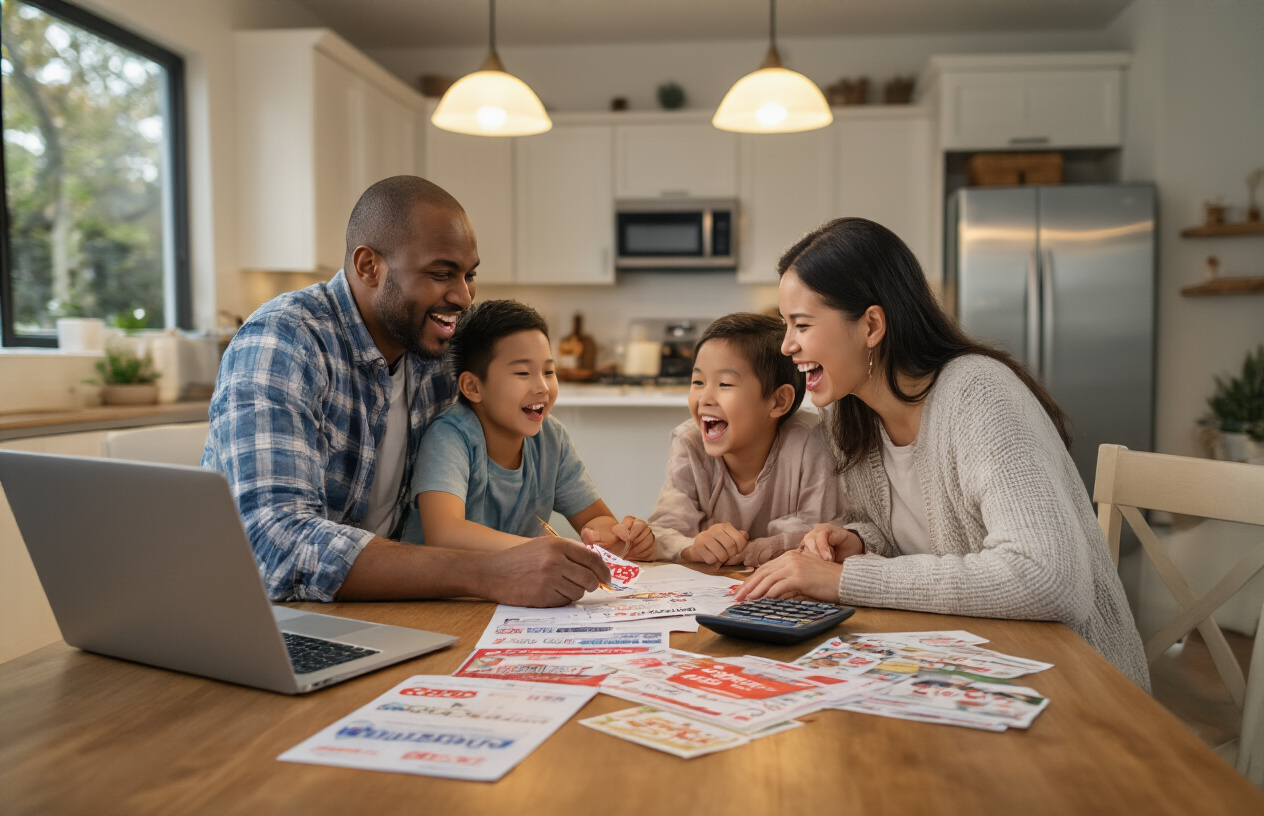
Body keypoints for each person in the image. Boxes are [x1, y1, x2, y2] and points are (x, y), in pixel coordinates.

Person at [735, 217, 1149, 690]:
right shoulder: (853, 416)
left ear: (871, 325)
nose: (788, 346)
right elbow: (926, 539)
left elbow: (1047, 580)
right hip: (965, 666)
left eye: (801, 325)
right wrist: (860, 542)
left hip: (1073, 686)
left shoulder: (978, 395)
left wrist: (845, 581)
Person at [203, 176, 609, 606]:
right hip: (259, 609)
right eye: (441, 273)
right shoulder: (285, 341)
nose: (464, 296)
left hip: (381, 606)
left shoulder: (434, 351)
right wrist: (489, 572)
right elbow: (276, 542)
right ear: (368, 266)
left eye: (469, 275)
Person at [401, 299, 654, 558]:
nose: (542, 387)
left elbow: (596, 518)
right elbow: (444, 534)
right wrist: (546, 549)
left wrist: (619, 536)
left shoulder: (552, 438)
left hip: (509, 589)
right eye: (523, 373)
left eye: (548, 371)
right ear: (473, 387)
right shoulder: (450, 436)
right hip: (439, 593)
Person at [648, 312, 840, 566]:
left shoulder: (811, 443)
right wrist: (692, 547)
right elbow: (663, 532)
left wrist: (751, 550)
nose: (705, 398)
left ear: (778, 401)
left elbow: (819, 534)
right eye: (698, 381)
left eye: (725, 384)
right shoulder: (689, 442)